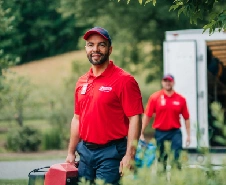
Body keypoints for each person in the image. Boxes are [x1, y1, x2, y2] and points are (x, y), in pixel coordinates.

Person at [65, 27, 144, 184]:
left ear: (110, 49)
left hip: (112, 153)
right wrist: (71, 152)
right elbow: (77, 119)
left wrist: (130, 155)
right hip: (85, 152)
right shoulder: (81, 81)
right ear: (85, 48)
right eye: (90, 44)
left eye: (101, 44)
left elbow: (135, 118)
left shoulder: (124, 80)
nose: (95, 49)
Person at [140, 74, 190, 168]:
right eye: (165, 81)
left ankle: (176, 179)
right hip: (160, 132)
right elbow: (147, 116)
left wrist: (188, 135)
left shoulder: (181, 99)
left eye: (169, 81)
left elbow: (186, 118)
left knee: (176, 158)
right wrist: (141, 131)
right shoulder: (155, 97)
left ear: (173, 82)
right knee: (161, 159)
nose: (167, 83)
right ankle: (162, 179)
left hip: (175, 132)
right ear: (162, 82)